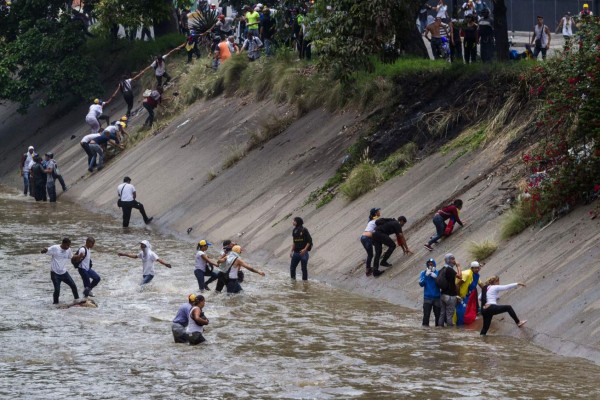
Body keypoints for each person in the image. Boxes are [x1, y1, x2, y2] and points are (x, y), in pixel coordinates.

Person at [41, 238, 82, 304]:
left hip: (64, 273)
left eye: (69, 246)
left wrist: (79, 256)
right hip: (55, 274)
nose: (67, 247)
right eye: (66, 245)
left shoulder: (68, 250)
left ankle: (76, 299)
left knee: (73, 285)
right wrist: (44, 250)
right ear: (62, 243)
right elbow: (46, 250)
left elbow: (72, 257)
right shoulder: (55, 248)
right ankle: (55, 303)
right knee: (57, 290)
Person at [438, 253, 461, 327]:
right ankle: (449, 332)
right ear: (448, 260)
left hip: (442, 295)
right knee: (449, 315)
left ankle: (440, 330)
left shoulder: (441, 269)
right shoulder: (450, 270)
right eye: (452, 259)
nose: (454, 260)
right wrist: (458, 266)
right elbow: (460, 276)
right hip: (450, 296)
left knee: (442, 313)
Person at [419, 258, 441, 326]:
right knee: (426, 316)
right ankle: (425, 331)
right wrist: (426, 276)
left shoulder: (438, 272)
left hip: (437, 298)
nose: (430, 266)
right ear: (427, 265)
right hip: (427, 298)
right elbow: (421, 284)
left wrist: (436, 278)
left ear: (434, 265)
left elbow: (441, 284)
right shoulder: (423, 273)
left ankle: (438, 331)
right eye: (429, 264)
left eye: (432, 264)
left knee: (438, 316)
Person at [360, 208, 380, 277]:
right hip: (367, 238)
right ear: (375, 213)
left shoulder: (371, 219)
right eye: (378, 211)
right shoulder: (376, 220)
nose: (379, 212)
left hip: (364, 238)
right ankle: (368, 271)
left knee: (370, 254)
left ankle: (368, 269)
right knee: (370, 255)